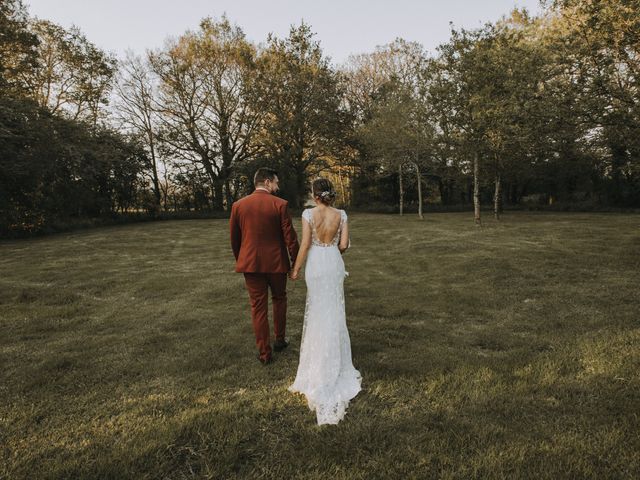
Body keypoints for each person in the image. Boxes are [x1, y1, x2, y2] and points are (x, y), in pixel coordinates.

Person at [288, 178, 361, 425]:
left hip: (317, 264)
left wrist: (295, 268)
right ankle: (336, 360)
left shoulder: (308, 214)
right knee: (334, 311)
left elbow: (306, 244)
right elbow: (343, 245)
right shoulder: (342, 214)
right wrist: (333, 250)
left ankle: (318, 361)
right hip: (333, 263)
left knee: (318, 310)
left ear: (315, 194)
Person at [229, 168, 300, 364]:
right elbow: (290, 238)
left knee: (258, 307)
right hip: (276, 263)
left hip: (250, 264)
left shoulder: (238, 205)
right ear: (267, 182)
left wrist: (242, 259)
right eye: (276, 182)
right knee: (279, 299)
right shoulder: (280, 204)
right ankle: (279, 340)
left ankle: (264, 353)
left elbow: (235, 239)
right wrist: (295, 262)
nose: (277, 186)